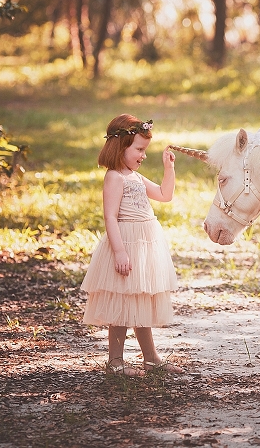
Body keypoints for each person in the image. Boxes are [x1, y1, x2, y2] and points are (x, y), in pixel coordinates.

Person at [81, 114, 183, 376]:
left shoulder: (135, 177)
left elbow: (165, 195)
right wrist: (119, 251)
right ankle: (115, 362)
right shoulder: (115, 177)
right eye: (139, 149)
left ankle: (151, 359)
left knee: (138, 302)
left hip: (144, 246)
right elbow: (110, 217)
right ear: (120, 146)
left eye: (144, 150)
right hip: (126, 244)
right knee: (121, 306)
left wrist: (169, 169)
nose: (143, 156)